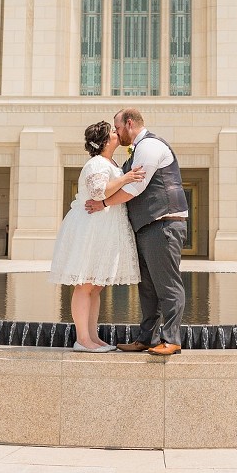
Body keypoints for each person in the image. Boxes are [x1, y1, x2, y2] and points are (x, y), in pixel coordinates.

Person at [85, 108, 187, 356]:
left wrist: (104, 204)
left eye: (117, 128)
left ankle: (171, 340)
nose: (117, 135)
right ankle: (146, 338)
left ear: (129, 123)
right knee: (148, 287)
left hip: (163, 222)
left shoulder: (150, 146)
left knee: (168, 285)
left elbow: (138, 187)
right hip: (147, 226)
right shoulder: (138, 150)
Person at [49, 120, 145, 352]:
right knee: (85, 284)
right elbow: (97, 191)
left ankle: (93, 336)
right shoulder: (96, 164)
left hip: (105, 228)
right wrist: (125, 178)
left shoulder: (110, 162)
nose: (117, 132)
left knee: (97, 285)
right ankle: (82, 339)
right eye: (113, 131)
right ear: (103, 140)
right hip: (90, 228)